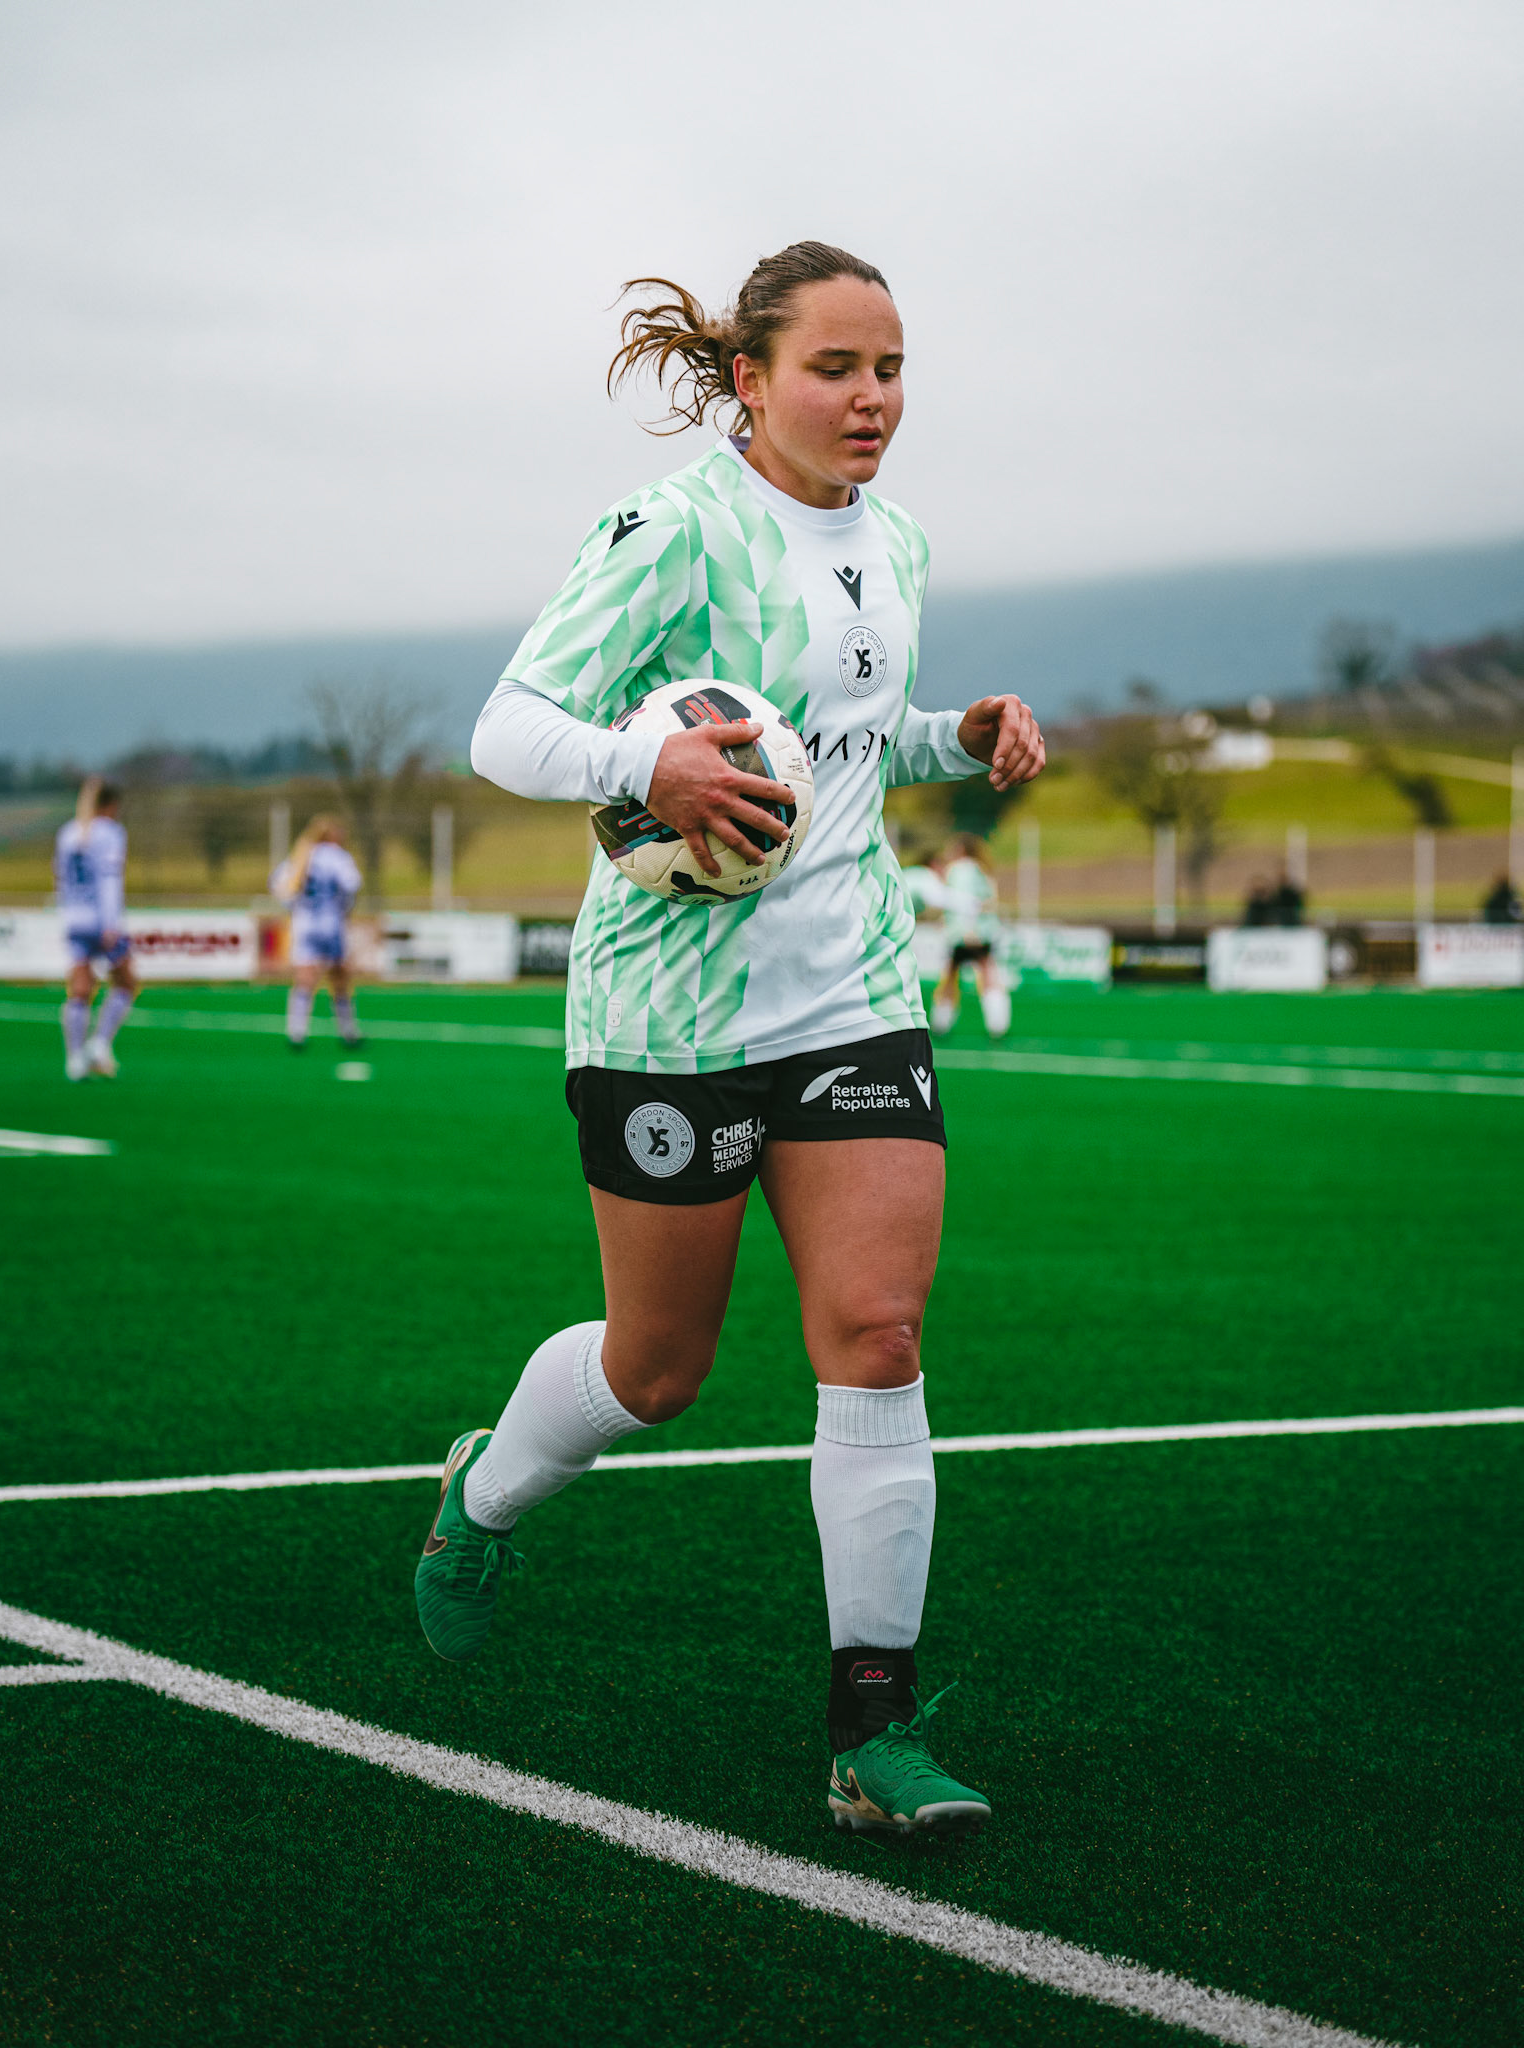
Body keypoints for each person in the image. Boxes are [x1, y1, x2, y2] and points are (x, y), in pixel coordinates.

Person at [415, 242, 1045, 1836]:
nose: (870, 398)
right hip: (665, 1016)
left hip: (853, 999)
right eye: (835, 368)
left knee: (877, 1339)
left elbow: (842, 740)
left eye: (890, 367)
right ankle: (483, 1494)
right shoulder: (668, 531)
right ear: (750, 380)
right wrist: (650, 765)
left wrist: (951, 735)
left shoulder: (893, 539)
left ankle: (871, 1732)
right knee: (659, 1366)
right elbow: (506, 727)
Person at [54, 776, 139, 1080]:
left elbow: (60, 879)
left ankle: (75, 1058)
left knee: (79, 988)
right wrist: (111, 922)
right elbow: (109, 879)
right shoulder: (110, 833)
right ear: (111, 805)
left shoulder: (68, 833)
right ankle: (100, 1044)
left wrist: (65, 915)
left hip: (74, 917)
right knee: (127, 981)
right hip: (101, 920)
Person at [270, 816, 364, 1050]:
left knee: (304, 978)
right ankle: (348, 1031)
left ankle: (296, 1032)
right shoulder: (337, 856)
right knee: (339, 978)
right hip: (331, 923)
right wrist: (344, 906)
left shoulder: (300, 856)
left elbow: (280, 888)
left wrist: (295, 906)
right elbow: (353, 884)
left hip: (305, 923)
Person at [929, 833, 1011, 1037]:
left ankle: (941, 1023)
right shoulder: (982, 869)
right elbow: (990, 901)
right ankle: (997, 1023)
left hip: (964, 932)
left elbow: (960, 900)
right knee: (987, 972)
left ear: (961, 850)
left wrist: (965, 928)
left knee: (950, 976)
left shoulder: (960, 869)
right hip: (984, 931)